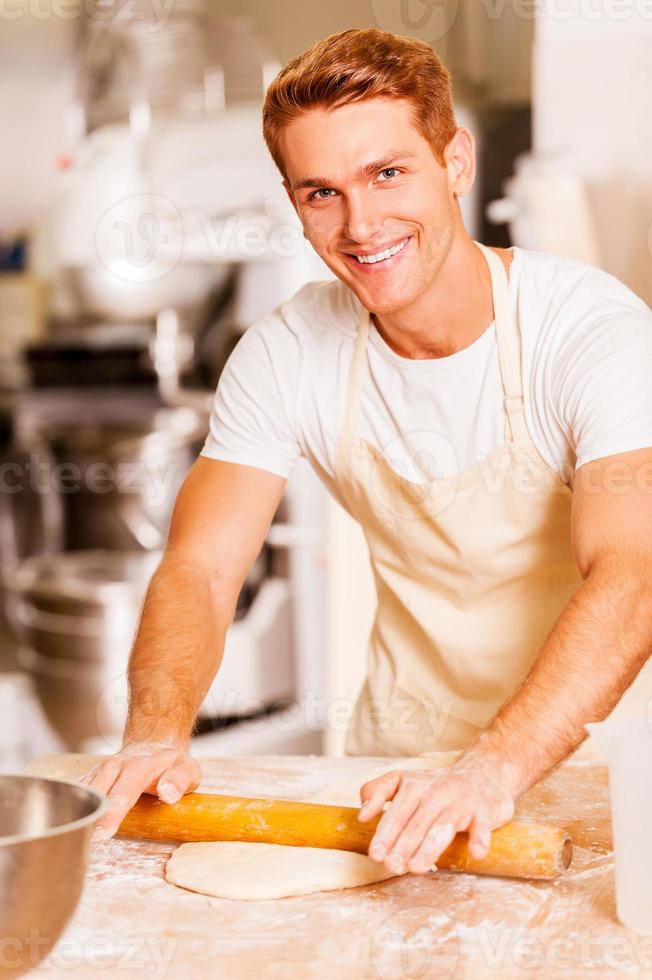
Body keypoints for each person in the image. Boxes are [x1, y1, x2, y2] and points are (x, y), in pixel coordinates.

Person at [83, 29, 652, 879]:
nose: (361, 224)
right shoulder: (287, 350)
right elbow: (200, 567)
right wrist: (156, 735)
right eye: (321, 193)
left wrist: (494, 769)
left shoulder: (592, 334)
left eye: (388, 173)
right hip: (399, 768)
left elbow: (633, 572)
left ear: (454, 161)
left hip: (604, 770)